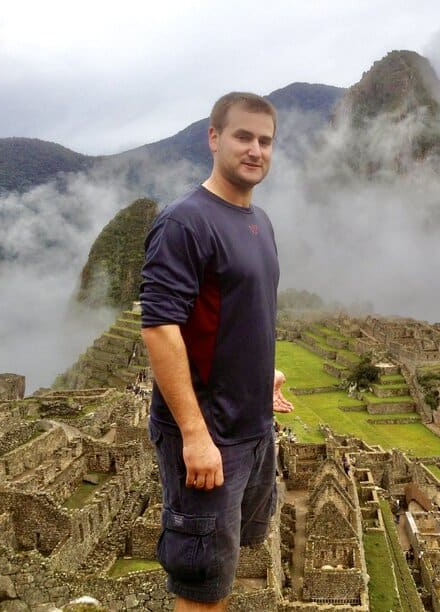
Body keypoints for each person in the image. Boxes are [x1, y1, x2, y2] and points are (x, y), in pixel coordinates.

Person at [140, 92, 292, 611]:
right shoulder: (185, 222)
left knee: (225, 573)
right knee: (201, 588)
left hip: (253, 430)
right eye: (243, 136)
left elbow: (244, 313)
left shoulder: (260, 222)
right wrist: (194, 435)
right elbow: (160, 328)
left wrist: (262, 373)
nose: (255, 150)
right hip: (212, 438)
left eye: (265, 141)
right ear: (214, 138)